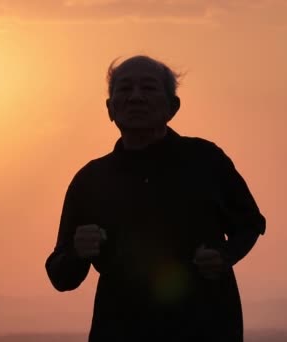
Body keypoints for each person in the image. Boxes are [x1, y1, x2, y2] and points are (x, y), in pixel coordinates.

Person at [44, 55, 266, 341]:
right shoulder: (90, 180)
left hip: (205, 326)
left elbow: (250, 223)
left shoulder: (207, 161)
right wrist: (77, 252)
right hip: (120, 328)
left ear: (172, 107)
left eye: (148, 88)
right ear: (110, 109)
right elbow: (61, 276)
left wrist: (225, 255)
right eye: (124, 89)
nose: (135, 97)